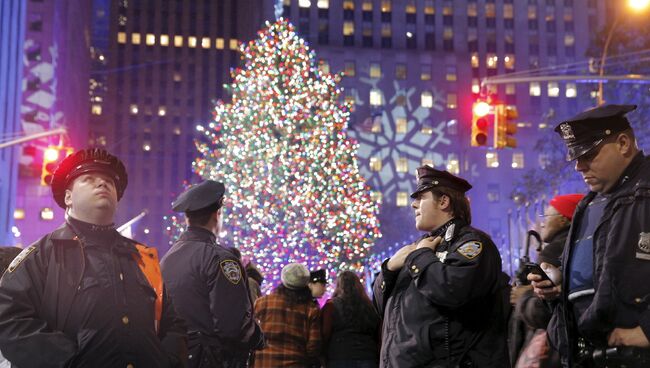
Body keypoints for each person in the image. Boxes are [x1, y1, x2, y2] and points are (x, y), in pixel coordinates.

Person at [0, 148, 187, 367]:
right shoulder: (40, 256)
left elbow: (173, 324)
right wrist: (71, 361)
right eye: (89, 179)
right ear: (68, 197)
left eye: (109, 181)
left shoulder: (144, 258)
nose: (102, 184)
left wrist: (167, 361)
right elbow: (10, 321)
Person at [531, 104, 650, 367]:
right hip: (588, 354)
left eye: (589, 154)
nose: (579, 167)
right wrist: (556, 287)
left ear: (623, 143)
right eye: (576, 157)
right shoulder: (589, 205)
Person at [373, 165, 510, 367]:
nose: (414, 205)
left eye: (421, 197)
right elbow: (379, 308)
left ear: (444, 201)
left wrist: (420, 256)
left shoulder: (472, 243)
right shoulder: (417, 249)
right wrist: (389, 269)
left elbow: (453, 290)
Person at [161, 180, 264, 368]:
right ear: (217, 214)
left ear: (187, 219)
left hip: (175, 356)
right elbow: (232, 325)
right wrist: (258, 337)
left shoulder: (167, 258)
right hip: (212, 359)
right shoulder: (221, 259)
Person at [509, 194, 583, 368]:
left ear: (564, 220)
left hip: (554, 350)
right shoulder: (578, 244)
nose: (541, 222)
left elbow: (540, 311)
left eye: (547, 216)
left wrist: (523, 297)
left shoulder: (554, 250)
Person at [253, 263, 321, 367]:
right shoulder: (311, 309)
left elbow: (252, 333)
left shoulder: (262, 303)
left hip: (264, 362)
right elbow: (313, 345)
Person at [322, 271, 380, 368]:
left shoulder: (331, 306)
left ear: (339, 286)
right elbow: (378, 333)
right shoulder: (370, 306)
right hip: (368, 356)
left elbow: (325, 334)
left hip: (339, 357)